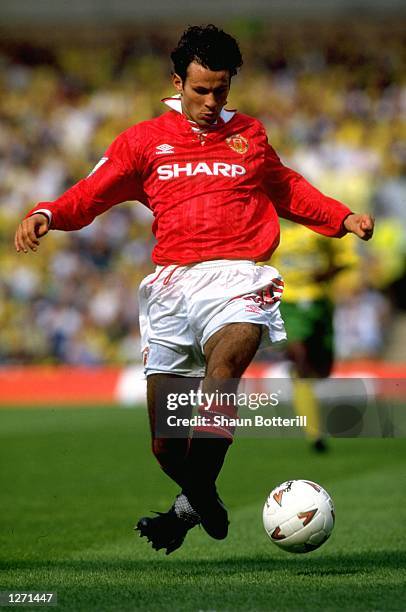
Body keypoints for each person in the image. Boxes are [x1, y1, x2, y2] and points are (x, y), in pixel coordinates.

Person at [14, 24, 374, 555]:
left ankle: (195, 497)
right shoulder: (142, 141)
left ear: (231, 85)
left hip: (239, 275)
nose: (210, 101)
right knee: (166, 445)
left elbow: (288, 187)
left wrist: (342, 218)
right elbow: (91, 193)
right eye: (200, 89)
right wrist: (48, 213)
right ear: (177, 82)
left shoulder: (249, 135)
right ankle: (194, 501)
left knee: (228, 358)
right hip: (171, 287)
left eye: (221, 90)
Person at [270, 222, 359, 451]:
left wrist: (326, 273)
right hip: (287, 303)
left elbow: (345, 260)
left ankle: (302, 373)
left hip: (320, 303)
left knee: (321, 370)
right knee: (300, 359)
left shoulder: (320, 226)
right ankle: (314, 434)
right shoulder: (269, 226)